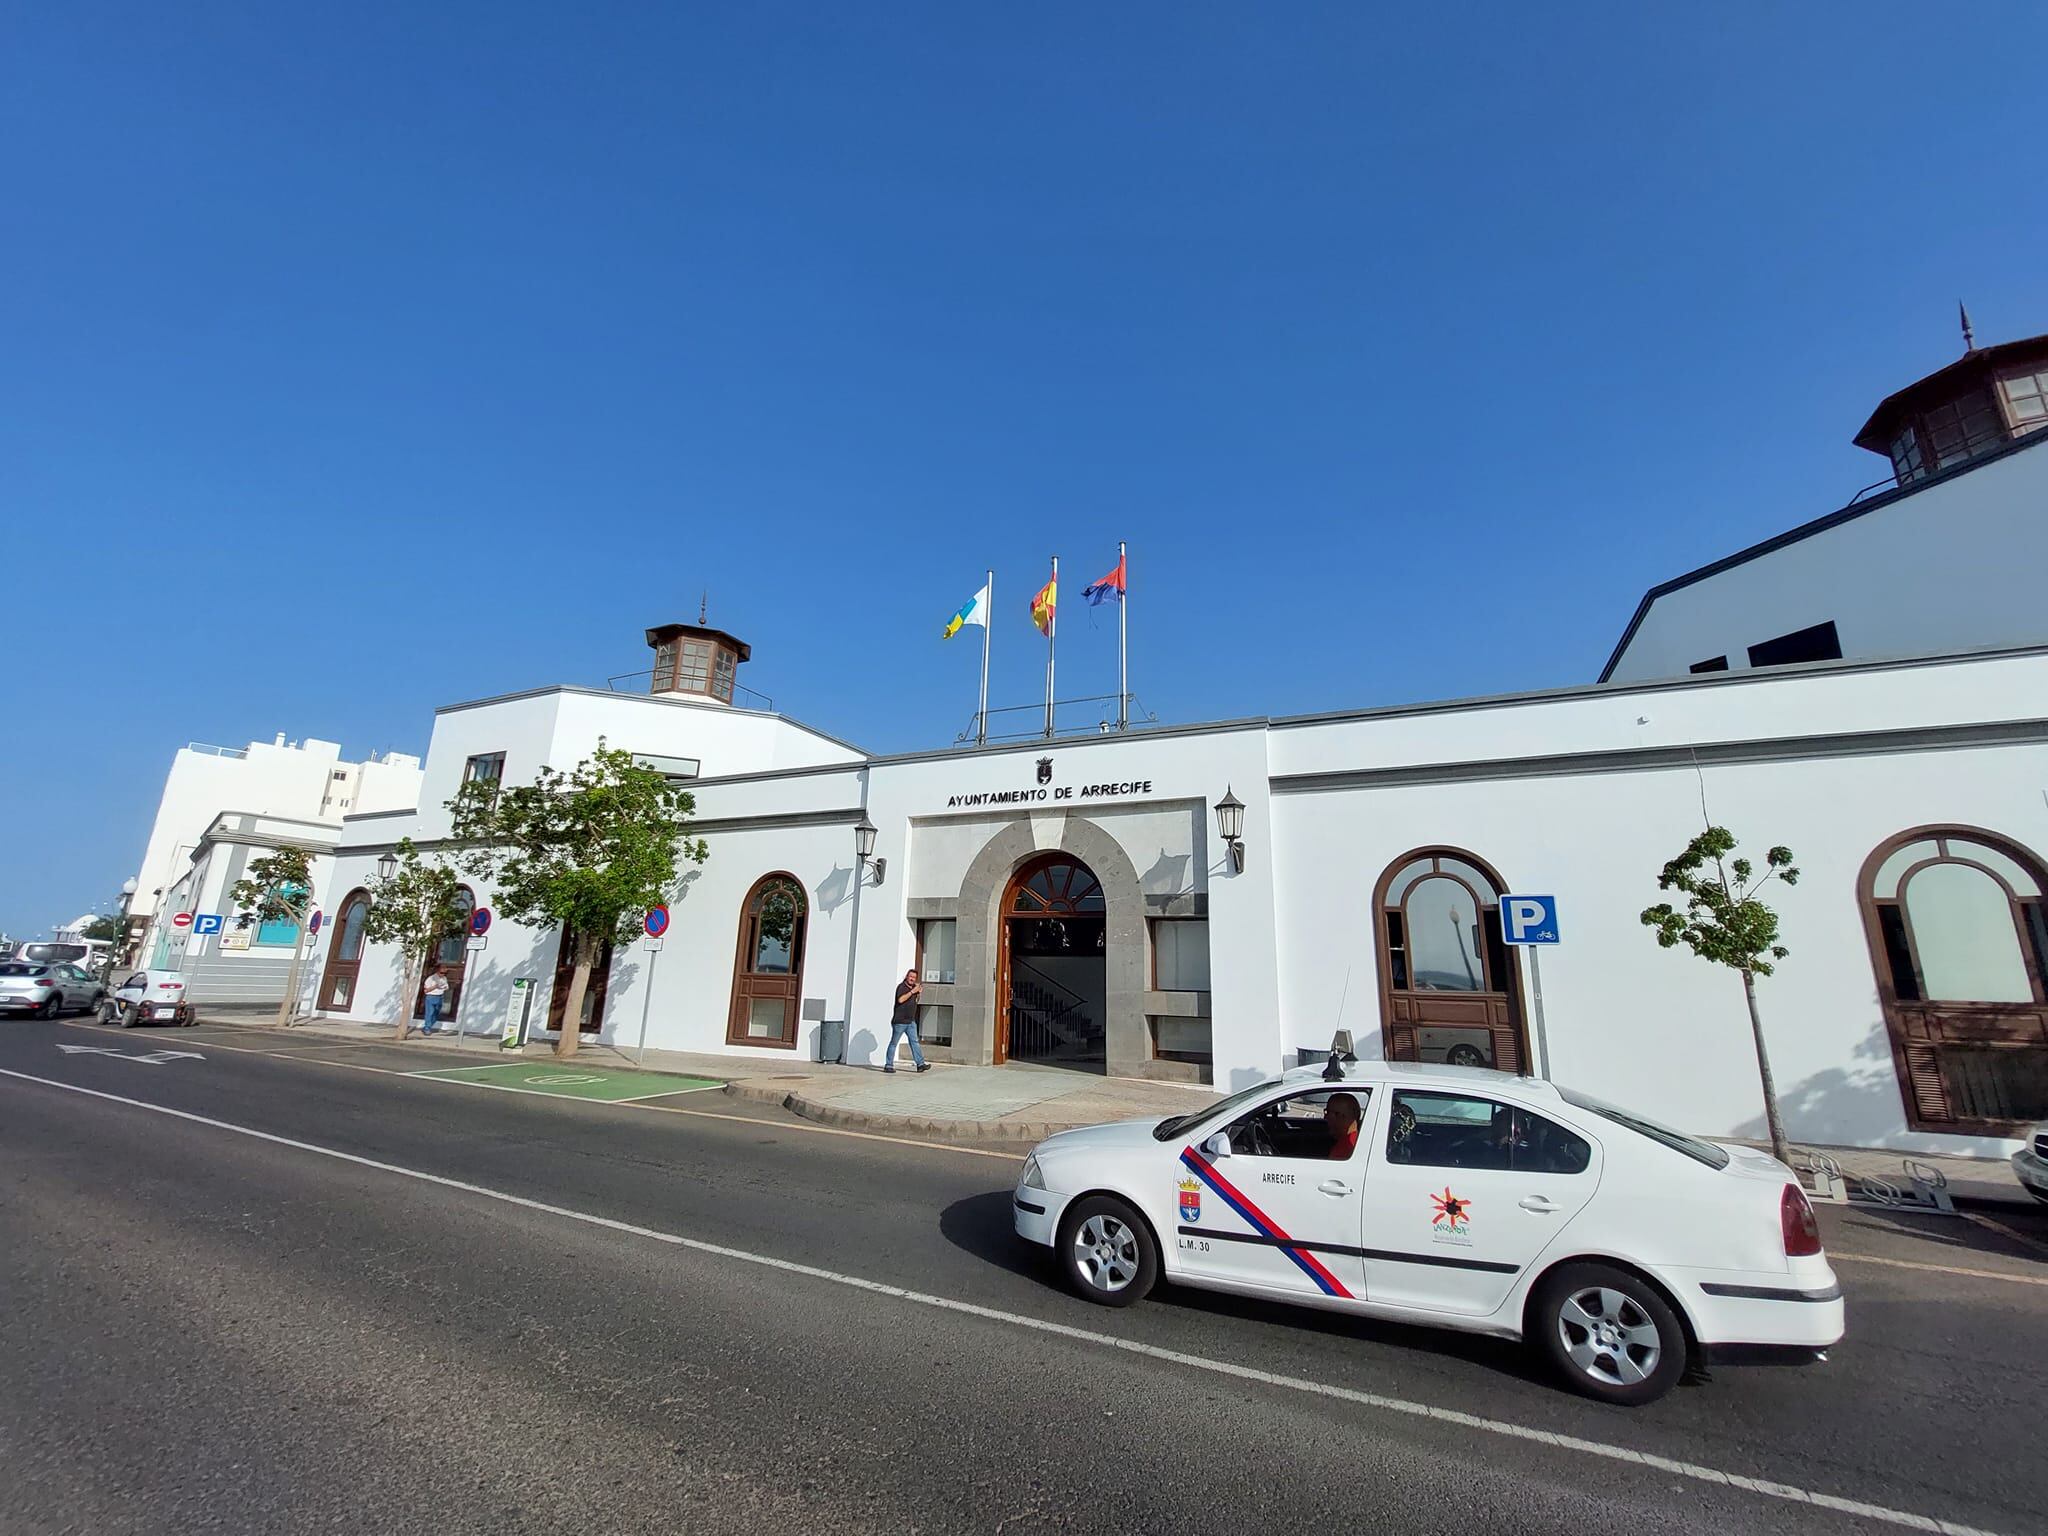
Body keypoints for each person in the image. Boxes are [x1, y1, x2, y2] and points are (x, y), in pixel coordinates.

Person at [884, 967, 930, 1074]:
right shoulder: (902, 987)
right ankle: (888, 1065)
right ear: (906, 977)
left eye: (914, 977)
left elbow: (916, 1001)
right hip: (900, 1021)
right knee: (894, 1043)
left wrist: (918, 993)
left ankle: (920, 1064)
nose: (912, 979)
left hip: (911, 1021)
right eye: (910, 977)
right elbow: (900, 1000)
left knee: (914, 1042)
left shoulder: (913, 988)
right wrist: (912, 991)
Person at [1323, 1092, 1362, 1160]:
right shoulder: (1360, 1139)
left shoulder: (1343, 1150)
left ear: (1341, 1116)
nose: (1325, 1117)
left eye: (1328, 1112)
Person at [421, 965, 450, 1036]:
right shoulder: (431, 979)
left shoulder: (444, 978)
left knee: (436, 1014)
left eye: (445, 973)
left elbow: (446, 987)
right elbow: (426, 990)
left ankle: (427, 1027)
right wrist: (435, 986)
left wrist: (445, 988)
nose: (443, 974)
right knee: (430, 1013)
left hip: (440, 996)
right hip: (431, 996)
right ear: (437, 971)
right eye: (441, 972)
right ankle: (427, 1028)